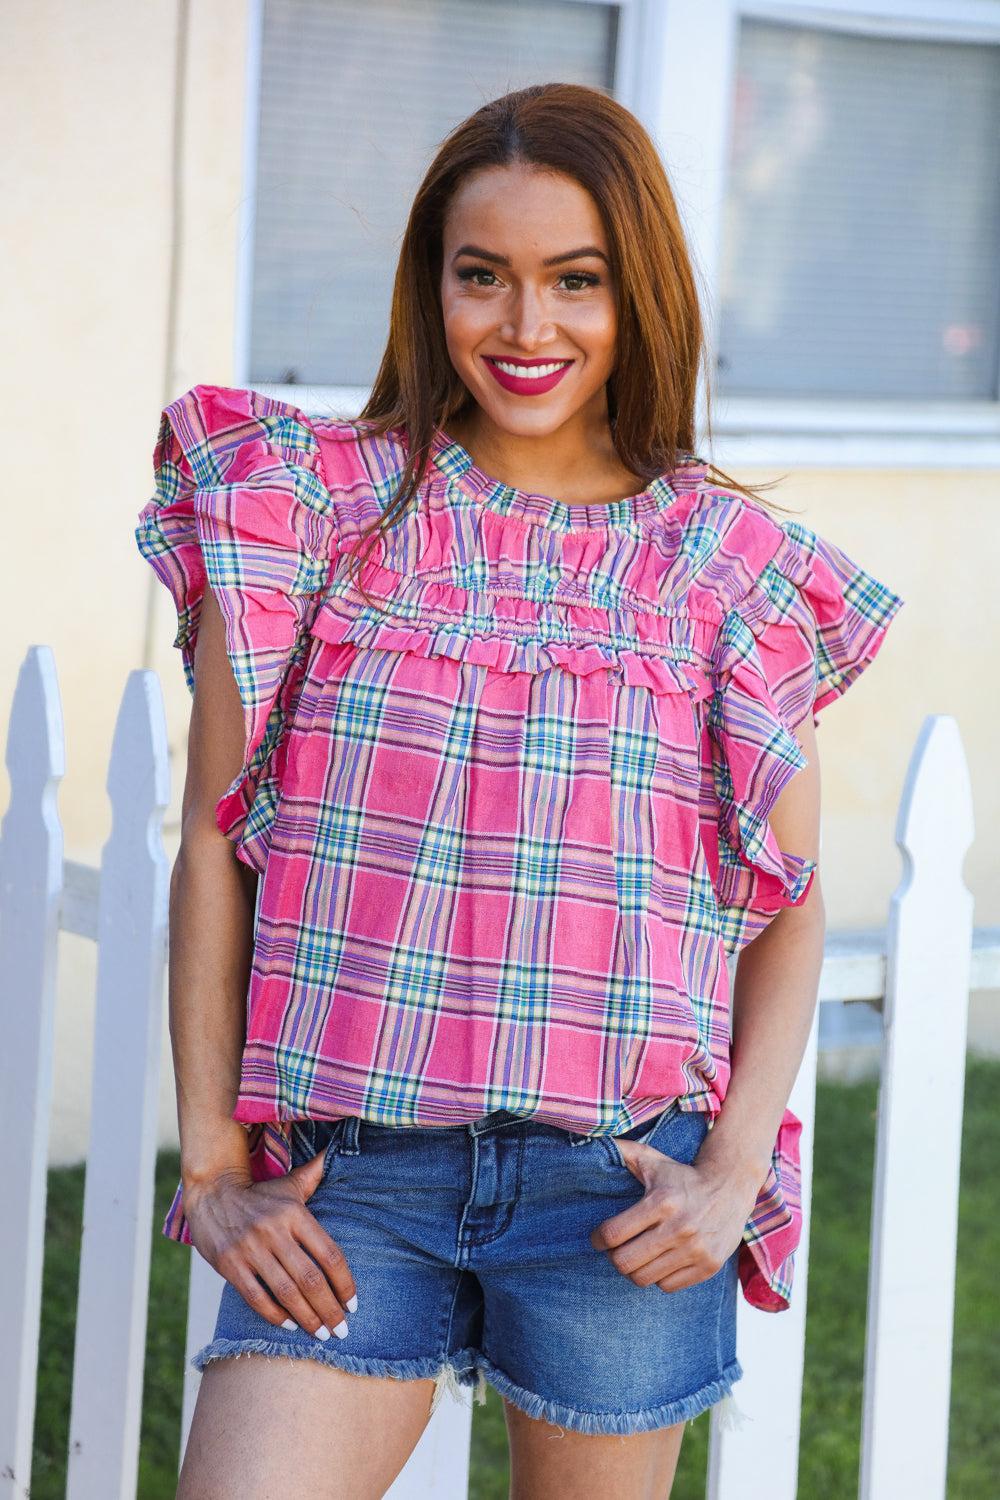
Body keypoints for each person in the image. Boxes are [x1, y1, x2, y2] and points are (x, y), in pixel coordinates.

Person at [138, 82, 900, 1500]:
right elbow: (210, 840)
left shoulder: (726, 567)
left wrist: (733, 1174)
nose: (525, 327)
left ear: (638, 296)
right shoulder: (313, 510)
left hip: (620, 1200)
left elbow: (789, 906)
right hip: (352, 1185)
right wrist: (211, 1157)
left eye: (576, 282)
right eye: (481, 276)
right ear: (433, 286)